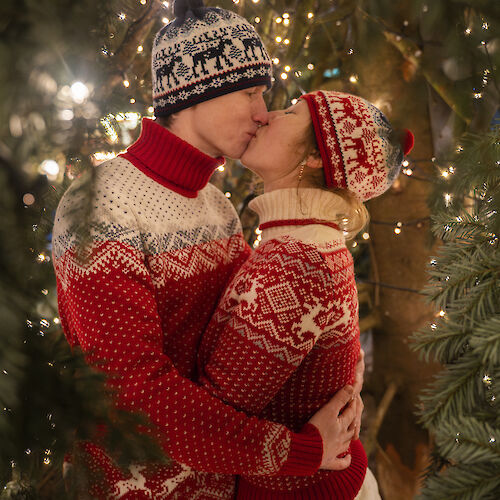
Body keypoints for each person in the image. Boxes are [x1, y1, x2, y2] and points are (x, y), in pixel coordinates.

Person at [52, 1, 364, 498]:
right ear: (194, 94)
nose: (263, 114)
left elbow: (252, 341)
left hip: (225, 485)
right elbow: (131, 394)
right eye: (249, 92)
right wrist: (300, 451)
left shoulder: (216, 205)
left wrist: (341, 383)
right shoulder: (101, 203)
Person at [197, 90, 414, 499]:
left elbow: (215, 420)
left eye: (290, 112)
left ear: (316, 156)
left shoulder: (298, 262)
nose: (266, 115)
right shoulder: (306, 243)